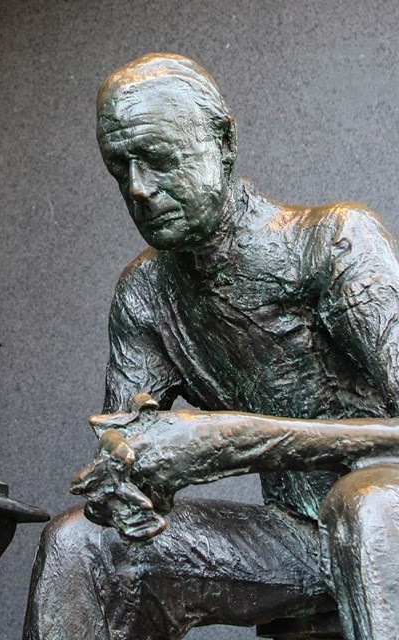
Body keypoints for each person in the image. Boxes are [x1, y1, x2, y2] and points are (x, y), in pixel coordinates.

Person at [23, 53, 399, 640]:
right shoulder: (145, 295)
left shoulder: (335, 242)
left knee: (368, 501)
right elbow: (126, 452)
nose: (139, 189)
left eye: (159, 160)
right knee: (79, 544)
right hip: (296, 542)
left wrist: (233, 442)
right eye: (119, 169)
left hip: (387, 521)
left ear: (223, 141)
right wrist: (125, 484)